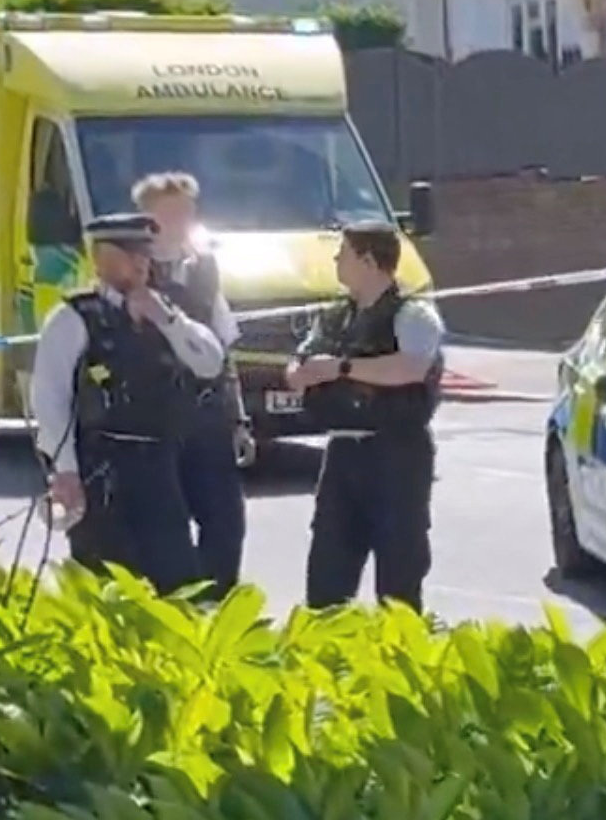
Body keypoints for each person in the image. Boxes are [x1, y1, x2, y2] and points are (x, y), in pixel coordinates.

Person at [29, 212, 222, 594]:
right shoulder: (74, 316)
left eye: (145, 252)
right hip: (103, 469)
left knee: (175, 578)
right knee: (106, 580)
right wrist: (65, 471)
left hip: (161, 464)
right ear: (100, 257)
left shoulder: (166, 313)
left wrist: (167, 320)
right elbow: (49, 399)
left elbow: (209, 362)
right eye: (130, 251)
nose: (141, 261)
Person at [287, 222, 445, 612]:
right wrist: (302, 372)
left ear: (370, 261)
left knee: (399, 570)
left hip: (396, 453)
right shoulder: (334, 316)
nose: (337, 260)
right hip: (343, 452)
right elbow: (301, 366)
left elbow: (411, 368)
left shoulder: (413, 315)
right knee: (327, 569)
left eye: (344, 253)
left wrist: (341, 369)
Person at [132, 173, 249, 592]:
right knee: (167, 527)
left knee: (226, 519)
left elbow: (223, 343)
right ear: (149, 217)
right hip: (154, 417)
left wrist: (237, 418)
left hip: (206, 415)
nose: (184, 218)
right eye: (173, 210)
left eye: (188, 209)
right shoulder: (131, 271)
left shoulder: (204, 266)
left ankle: (217, 603)